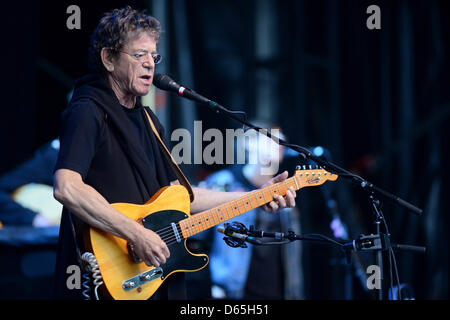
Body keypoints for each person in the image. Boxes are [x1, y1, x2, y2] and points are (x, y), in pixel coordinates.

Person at [52, 6, 297, 300]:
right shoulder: (87, 110)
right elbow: (67, 187)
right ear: (108, 58)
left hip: (147, 276)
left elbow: (183, 197)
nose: (149, 65)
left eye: (153, 56)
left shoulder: (149, 122)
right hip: (102, 277)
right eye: (138, 54)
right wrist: (136, 233)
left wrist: (257, 197)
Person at [196, 125, 304, 299]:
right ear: (249, 143)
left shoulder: (283, 193)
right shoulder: (221, 184)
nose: (279, 145)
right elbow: (195, 240)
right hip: (233, 295)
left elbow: (292, 257)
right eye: (273, 139)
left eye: (282, 142)